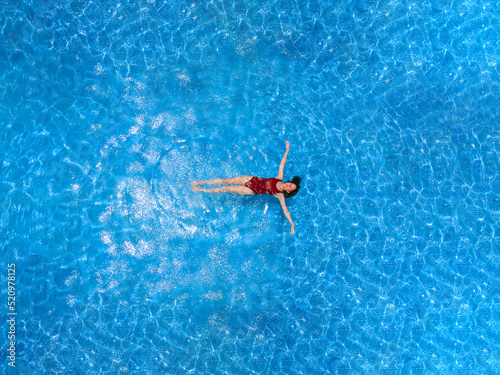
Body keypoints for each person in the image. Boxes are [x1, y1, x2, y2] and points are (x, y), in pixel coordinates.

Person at [192, 141, 301, 235]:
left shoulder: (280, 195)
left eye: (290, 187)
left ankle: (202, 190)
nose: (289, 185)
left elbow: (285, 210)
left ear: (288, 191)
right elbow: (282, 163)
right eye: (290, 183)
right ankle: (201, 182)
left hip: (251, 190)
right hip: (251, 179)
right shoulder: (279, 178)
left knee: (226, 188)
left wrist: (292, 224)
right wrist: (287, 150)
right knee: (226, 180)